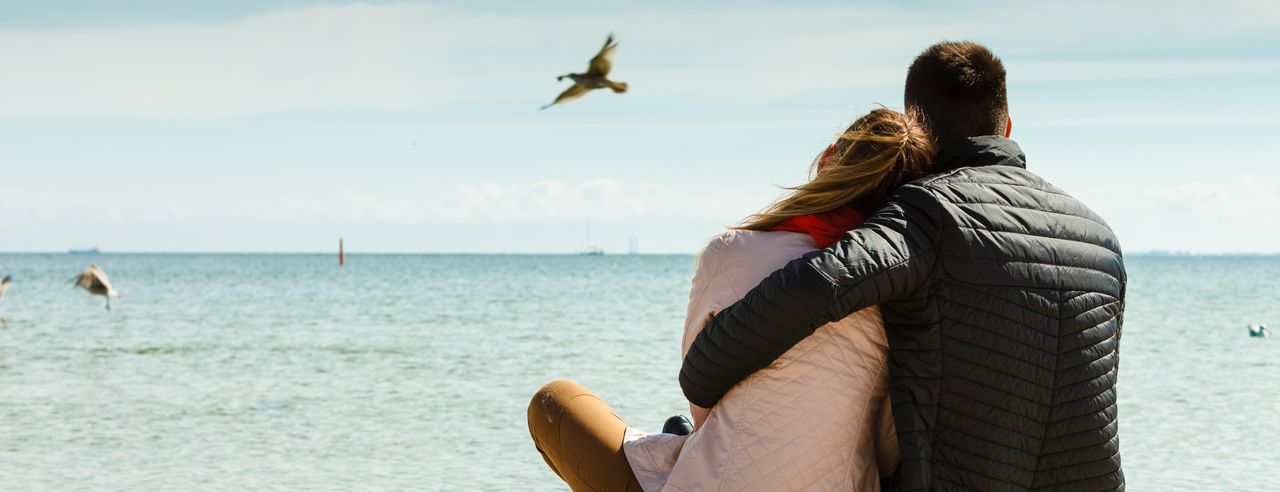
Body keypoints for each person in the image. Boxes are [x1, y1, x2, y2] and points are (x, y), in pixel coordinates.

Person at [680, 41, 1126, 491]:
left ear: (917, 131)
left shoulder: (928, 212)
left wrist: (703, 373)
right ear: (1007, 125)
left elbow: (821, 283)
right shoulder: (1102, 238)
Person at [529, 108, 934, 491]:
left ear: (829, 160)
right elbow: (887, 443)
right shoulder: (905, 291)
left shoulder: (732, 253)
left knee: (555, 403)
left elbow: (701, 403)